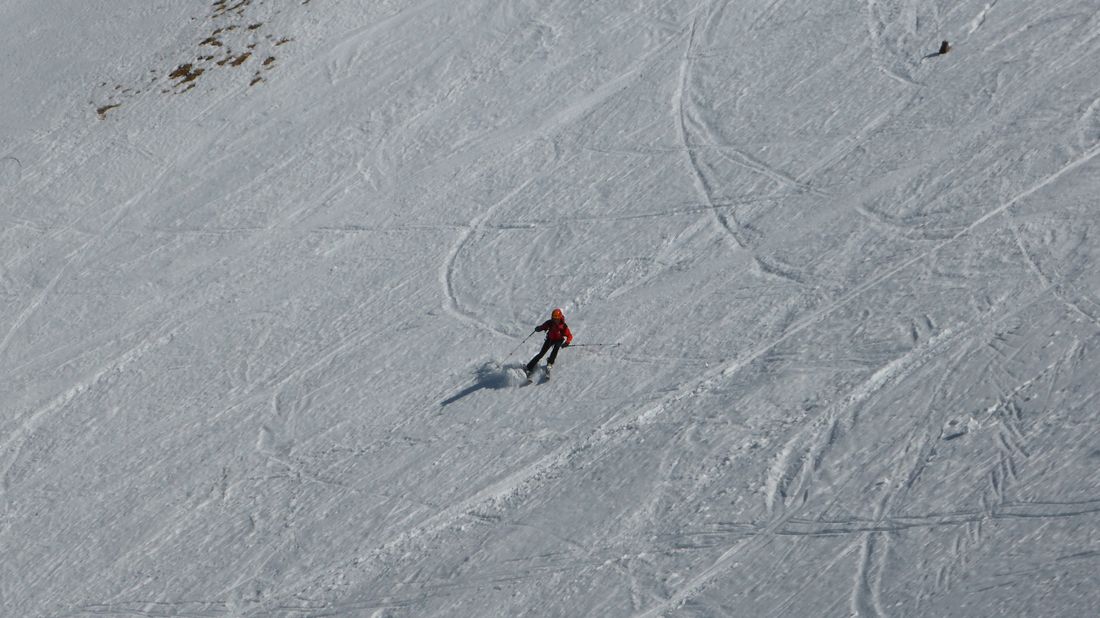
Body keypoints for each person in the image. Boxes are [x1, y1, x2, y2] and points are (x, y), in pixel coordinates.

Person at [526, 308, 573, 378]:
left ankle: (550, 362)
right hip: (550, 339)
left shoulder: (563, 326)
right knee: (541, 354)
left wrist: (567, 342)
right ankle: (529, 367)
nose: (555, 320)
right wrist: (539, 328)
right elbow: (543, 326)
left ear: (560, 318)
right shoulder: (549, 322)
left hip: (559, 340)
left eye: (556, 319)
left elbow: (569, 335)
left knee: (556, 348)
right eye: (554, 318)